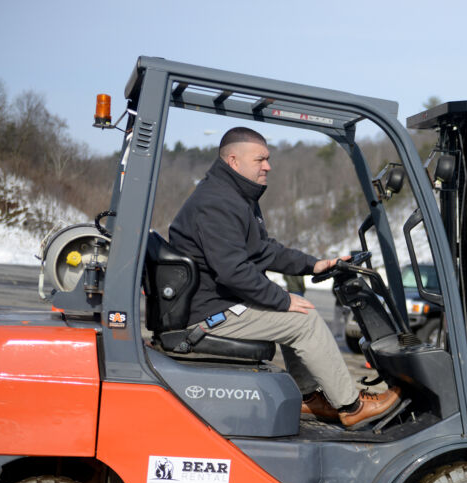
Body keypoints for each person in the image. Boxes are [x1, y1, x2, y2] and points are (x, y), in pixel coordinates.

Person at [168, 126, 401, 430]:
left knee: (295, 310)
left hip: (217, 303)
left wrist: (314, 265)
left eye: (268, 159)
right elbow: (232, 270)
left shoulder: (236, 197)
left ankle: (310, 397)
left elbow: (263, 251)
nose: (268, 166)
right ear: (233, 161)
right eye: (260, 159)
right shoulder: (218, 203)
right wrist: (281, 298)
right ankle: (351, 406)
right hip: (207, 313)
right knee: (301, 317)